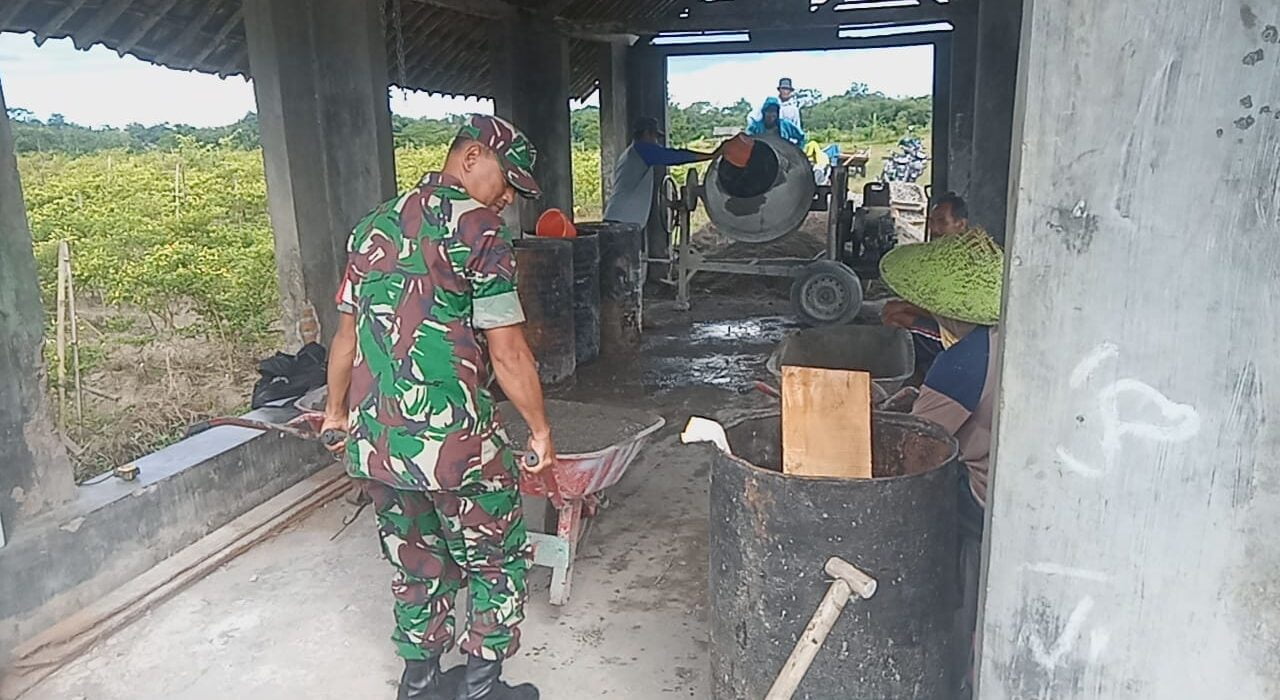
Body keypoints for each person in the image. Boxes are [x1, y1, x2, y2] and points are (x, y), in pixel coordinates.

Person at [322, 114, 555, 700]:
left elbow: (346, 340)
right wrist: (540, 431)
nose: (507, 199)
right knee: (495, 558)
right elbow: (508, 352)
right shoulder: (478, 230)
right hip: (457, 446)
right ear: (472, 156)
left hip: (378, 442)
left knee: (414, 559)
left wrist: (334, 413)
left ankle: (420, 683)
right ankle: (481, 687)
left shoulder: (369, 227)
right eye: (507, 182)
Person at [877, 230, 1002, 696]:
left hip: (987, 503)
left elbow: (915, 449)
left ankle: (956, 659)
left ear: (944, 308)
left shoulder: (965, 361)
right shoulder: (1005, 335)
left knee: (932, 514)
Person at [881, 193, 974, 371]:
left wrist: (906, 307)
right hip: (945, 323)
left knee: (897, 319)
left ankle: (920, 375)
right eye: (931, 221)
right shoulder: (943, 256)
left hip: (959, 337)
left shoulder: (965, 263)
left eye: (941, 222)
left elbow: (948, 311)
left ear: (961, 225)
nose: (934, 229)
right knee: (893, 311)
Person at [603, 116, 718, 226]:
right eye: (655, 137)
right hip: (623, 220)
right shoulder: (643, 150)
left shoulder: (630, 153)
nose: (656, 142)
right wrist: (711, 156)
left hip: (618, 216)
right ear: (647, 133)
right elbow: (676, 156)